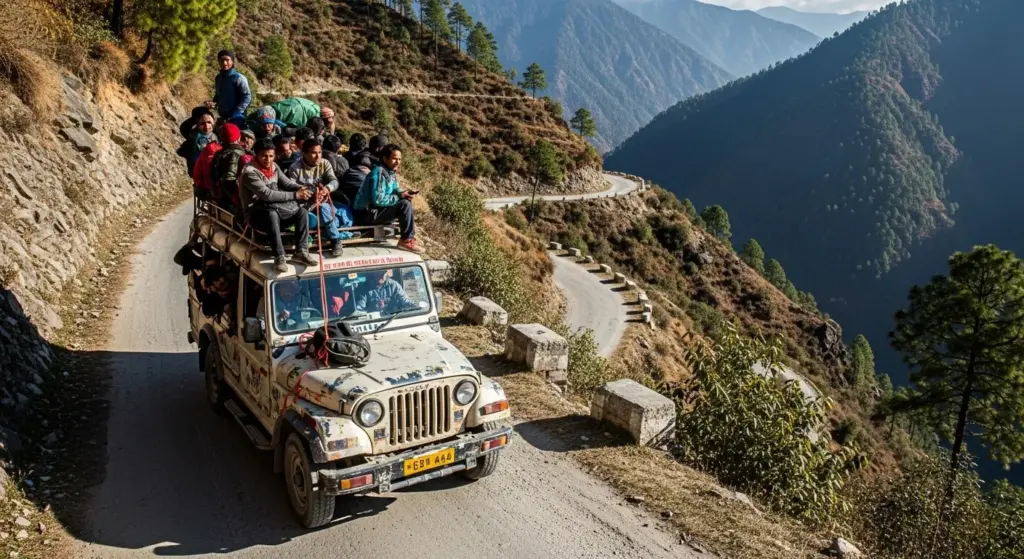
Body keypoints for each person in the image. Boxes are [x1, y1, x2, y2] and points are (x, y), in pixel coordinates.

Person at [240, 138, 318, 272]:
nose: (268, 159)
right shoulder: (249, 172)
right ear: (256, 155)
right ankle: (279, 257)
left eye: (271, 156)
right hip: (257, 215)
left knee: (302, 212)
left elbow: (287, 184)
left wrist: (306, 189)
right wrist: (296, 195)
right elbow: (267, 194)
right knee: (271, 214)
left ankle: (301, 251)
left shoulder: (274, 167)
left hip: (277, 208)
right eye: (264, 156)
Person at [354, 144, 423, 253]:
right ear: (385, 158)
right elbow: (378, 199)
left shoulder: (390, 172)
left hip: (375, 211)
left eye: (399, 159)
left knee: (405, 201)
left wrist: (404, 192)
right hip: (365, 214)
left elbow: (395, 188)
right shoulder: (379, 172)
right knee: (404, 204)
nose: (398, 162)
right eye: (394, 158)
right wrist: (400, 197)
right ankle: (406, 241)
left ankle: (407, 239)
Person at [285, 137, 348, 257]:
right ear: (304, 154)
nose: (317, 156)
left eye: (319, 152)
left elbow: (334, 181)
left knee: (324, 208)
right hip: (302, 205)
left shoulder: (325, 163)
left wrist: (326, 189)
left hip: (320, 203)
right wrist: (310, 195)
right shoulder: (295, 168)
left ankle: (336, 241)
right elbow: (292, 188)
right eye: (313, 153)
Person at [211, 123, 246, 211]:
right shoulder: (237, 154)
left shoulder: (219, 154)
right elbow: (229, 179)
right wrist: (237, 199)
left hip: (223, 195)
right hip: (232, 198)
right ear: (238, 137)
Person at [211, 50, 252, 127]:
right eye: (221, 60)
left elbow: (247, 96)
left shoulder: (238, 77)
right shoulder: (218, 78)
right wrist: (214, 103)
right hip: (222, 116)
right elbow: (218, 95)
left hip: (237, 117)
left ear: (232, 61)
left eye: (227, 60)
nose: (224, 63)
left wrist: (237, 111)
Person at [191, 123, 226, 200]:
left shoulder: (213, 149)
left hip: (203, 186)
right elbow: (208, 175)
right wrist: (214, 192)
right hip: (206, 189)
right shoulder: (212, 150)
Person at [179, 112, 217, 177]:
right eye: (202, 123)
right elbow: (184, 128)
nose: (206, 126)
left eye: (209, 122)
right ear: (198, 124)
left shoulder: (216, 137)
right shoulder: (193, 136)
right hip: (197, 172)